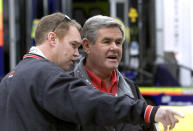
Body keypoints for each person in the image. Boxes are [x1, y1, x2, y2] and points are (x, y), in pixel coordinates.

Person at [0, 12, 183, 131]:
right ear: (52, 39)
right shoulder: (51, 76)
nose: (75, 53)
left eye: (119, 43)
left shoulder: (10, 78)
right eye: (73, 45)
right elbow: (89, 103)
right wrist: (148, 111)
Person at [74, 15, 184, 131]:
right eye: (107, 42)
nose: (114, 48)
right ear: (86, 46)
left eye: (118, 42)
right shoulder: (68, 87)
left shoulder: (131, 89)